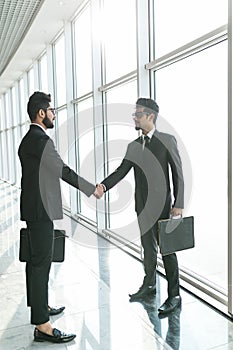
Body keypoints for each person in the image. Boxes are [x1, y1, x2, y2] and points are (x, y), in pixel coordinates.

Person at [18, 91, 103, 343]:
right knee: (41, 262)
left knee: (37, 261)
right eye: (52, 110)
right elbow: (62, 170)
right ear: (41, 113)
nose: (54, 114)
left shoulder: (28, 139)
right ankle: (43, 326)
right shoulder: (40, 140)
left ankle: (40, 308)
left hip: (35, 208)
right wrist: (92, 188)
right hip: (40, 210)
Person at [98, 98, 184, 315]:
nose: (134, 118)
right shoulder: (134, 146)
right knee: (147, 249)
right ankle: (150, 285)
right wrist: (102, 187)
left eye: (138, 114)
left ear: (150, 117)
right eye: (134, 114)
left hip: (164, 208)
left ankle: (174, 295)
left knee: (168, 251)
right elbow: (121, 171)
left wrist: (179, 204)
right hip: (142, 207)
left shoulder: (167, 140)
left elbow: (178, 174)